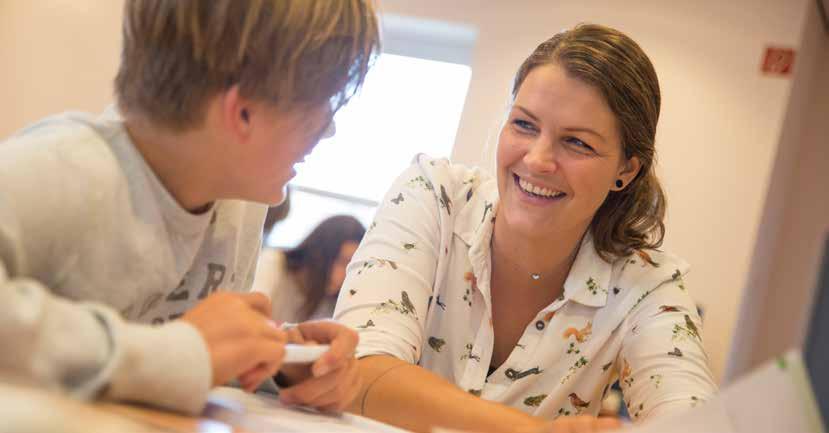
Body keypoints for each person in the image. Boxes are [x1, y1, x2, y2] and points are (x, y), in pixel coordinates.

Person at [333, 24, 717, 433]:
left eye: (578, 143)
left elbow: (693, 416)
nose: (537, 160)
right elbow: (356, 369)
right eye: (524, 125)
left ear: (625, 169)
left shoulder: (646, 285)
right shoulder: (433, 196)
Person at [0, 0, 379, 415]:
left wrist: (275, 359)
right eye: (322, 103)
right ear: (243, 112)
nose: (329, 129)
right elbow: (172, 353)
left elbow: (174, 358)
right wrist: (179, 353)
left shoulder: (240, 203)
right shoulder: (63, 169)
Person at [254, 215, 366, 323]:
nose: (344, 277)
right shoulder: (274, 262)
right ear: (319, 253)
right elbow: (250, 315)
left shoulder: (332, 303)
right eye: (342, 261)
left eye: (352, 267)